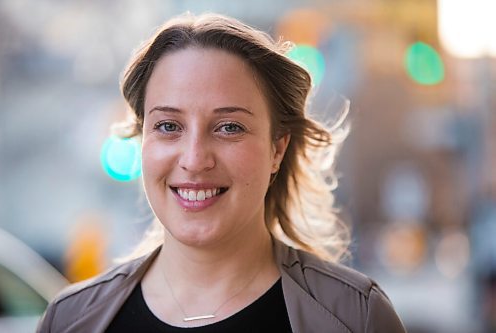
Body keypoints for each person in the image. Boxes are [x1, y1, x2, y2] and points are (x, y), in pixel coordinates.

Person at [37, 12, 406, 333]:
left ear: (277, 149)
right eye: (168, 126)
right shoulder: (70, 320)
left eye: (229, 127)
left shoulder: (356, 317)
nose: (195, 159)